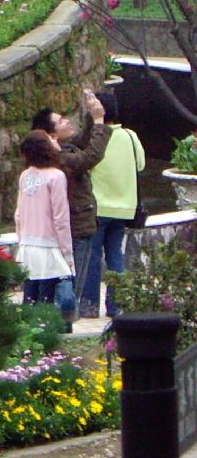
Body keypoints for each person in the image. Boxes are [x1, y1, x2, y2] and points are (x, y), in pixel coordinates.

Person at [30, 90, 108, 323]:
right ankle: (62, 329)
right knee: (70, 288)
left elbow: (83, 142)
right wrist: (99, 121)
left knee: (66, 286)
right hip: (74, 229)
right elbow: (89, 157)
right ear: (51, 134)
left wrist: (90, 115)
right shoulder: (60, 158)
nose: (67, 122)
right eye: (61, 121)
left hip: (73, 228)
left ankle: (58, 326)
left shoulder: (61, 151)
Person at [80, 87, 145, 319]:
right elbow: (141, 166)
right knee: (115, 254)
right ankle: (116, 306)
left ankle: (88, 307)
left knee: (93, 256)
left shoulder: (94, 139)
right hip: (124, 207)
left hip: (97, 208)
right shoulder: (130, 136)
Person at [14, 130, 75, 325]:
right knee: (47, 299)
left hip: (27, 245)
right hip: (49, 246)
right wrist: (67, 254)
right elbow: (61, 218)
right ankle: (47, 336)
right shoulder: (56, 176)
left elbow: (18, 214)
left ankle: (27, 337)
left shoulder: (25, 176)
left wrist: (21, 240)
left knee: (29, 297)